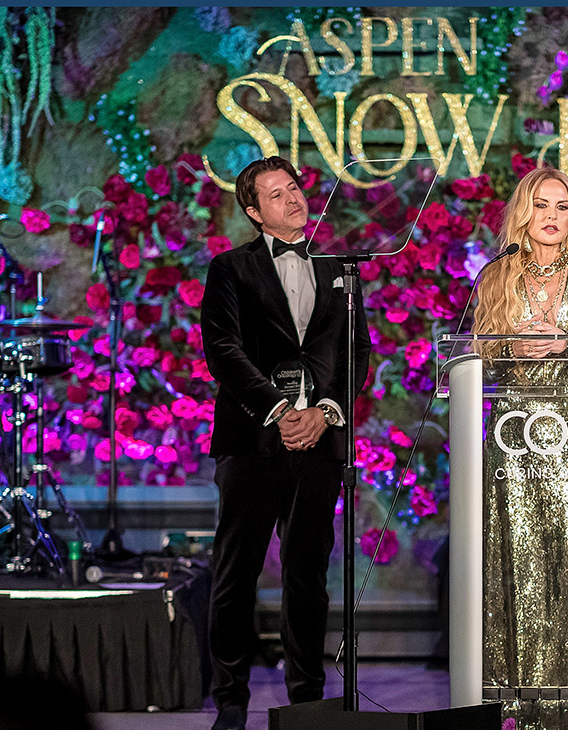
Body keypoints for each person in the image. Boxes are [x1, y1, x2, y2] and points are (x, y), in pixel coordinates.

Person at [200, 156, 371, 730]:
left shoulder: (340, 268)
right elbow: (222, 350)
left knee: (307, 577)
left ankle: (307, 702)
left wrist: (326, 411)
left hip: (319, 444)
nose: (292, 200)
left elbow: (358, 354)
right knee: (235, 573)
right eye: (276, 195)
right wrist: (277, 412)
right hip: (252, 442)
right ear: (254, 212)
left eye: (294, 188)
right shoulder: (230, 269)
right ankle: (230, 700)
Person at [473, 166, 568, 730]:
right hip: (513, 430)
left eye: (562, 206)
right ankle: (509, 701)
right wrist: (507, 345)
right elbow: (473, 355)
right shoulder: (496, 274)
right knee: (513, 559)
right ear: (524, 214)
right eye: (542, 205)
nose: (552, 216)